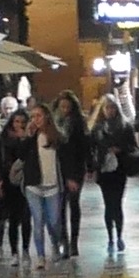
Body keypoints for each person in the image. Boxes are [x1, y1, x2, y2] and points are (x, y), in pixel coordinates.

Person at [87, 95, 136, 256]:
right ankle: (110, 237)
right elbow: (91, 149)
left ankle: (119, 235)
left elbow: (133, 147)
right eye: (107, 108)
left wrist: (120, 149)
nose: (110, 111)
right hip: (104, 170)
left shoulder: (125, 127)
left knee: (117, 203)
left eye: (112, 108)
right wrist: (91, 168)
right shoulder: (97, 128)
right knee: (108, 204)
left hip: (119, 170)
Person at [0, 102, 42, 267]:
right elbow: (0, 160)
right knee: (13, 219)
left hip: (27, 180)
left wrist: (25, 138)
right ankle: (14, 252)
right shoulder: (4, 139)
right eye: (16, 121)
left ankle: (26, 250)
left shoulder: (32, 137)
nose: (19, 125)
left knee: (26, 217)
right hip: (9, 182)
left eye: (23, 122)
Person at [48, 91, 89, 264]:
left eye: (68, 107)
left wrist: (76, 174)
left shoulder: (77, 124)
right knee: (59, 208)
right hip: (57, 169)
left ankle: (74, 242)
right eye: (62, 107)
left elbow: (82, 149)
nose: (65, 110)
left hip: (75, 169)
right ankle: (63, 241)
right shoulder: (52, 124)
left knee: (73, 204)